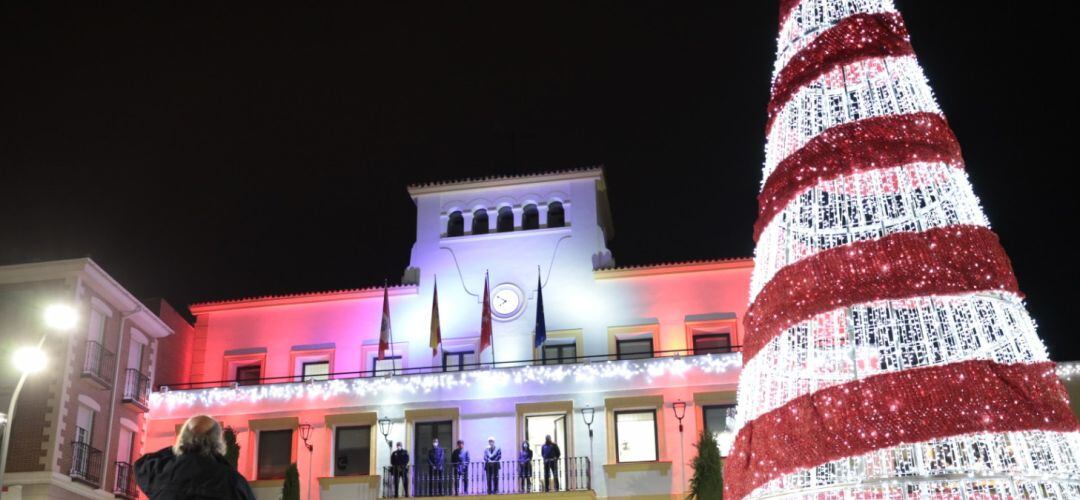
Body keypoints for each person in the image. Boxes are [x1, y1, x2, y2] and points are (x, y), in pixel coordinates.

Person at [135, 415, 254, 500]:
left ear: (183, 436)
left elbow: (142, 464)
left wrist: (180, 447)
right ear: (218, 440)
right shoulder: (234, 482)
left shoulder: (160, 471)